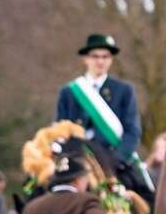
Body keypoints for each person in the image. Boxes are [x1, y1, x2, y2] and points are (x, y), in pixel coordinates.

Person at [55, 33, 146, 190]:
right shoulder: (69, 92)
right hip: (75, 158)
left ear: (111, 59)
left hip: (113, 159)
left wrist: (117, 158)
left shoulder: (124, 90)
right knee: (38, 188)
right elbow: (60, 129)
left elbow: (132, 131)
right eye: (95, 56)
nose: (100, 61)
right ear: (85, 59)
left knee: (147, 194)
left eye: (105, 56)